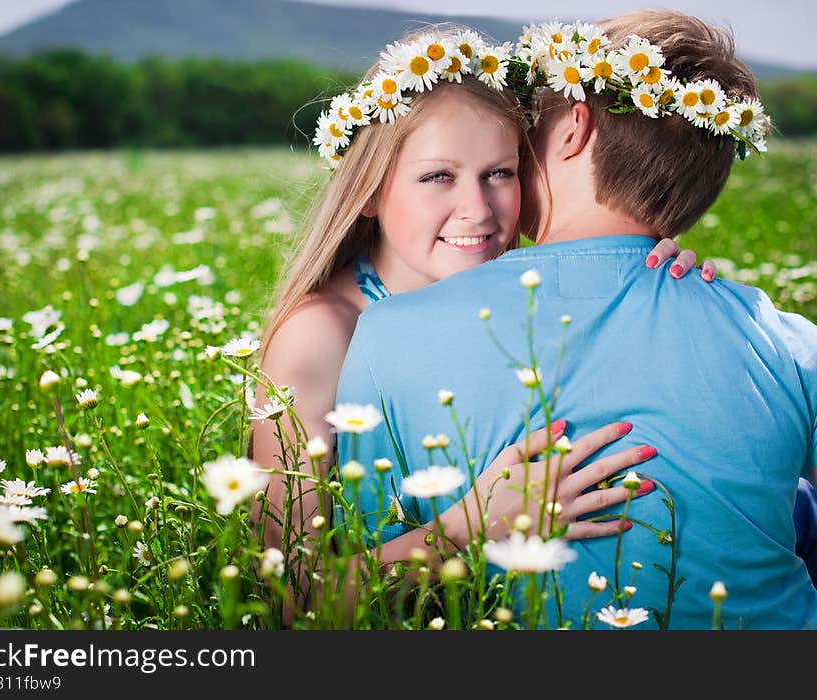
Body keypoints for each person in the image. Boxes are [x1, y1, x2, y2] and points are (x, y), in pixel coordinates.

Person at [335, 11, 817, 628]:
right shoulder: (783, 340)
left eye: (530, 128)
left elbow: (342, 594)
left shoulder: (386, 334)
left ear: (574, 130)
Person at [248, 25, 709, 617]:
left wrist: (657, 274)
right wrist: (466, 528)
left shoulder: (519, 291)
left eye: (501, 172)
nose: (478, 209)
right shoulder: (322, 336)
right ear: (367, 190)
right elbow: (289, 597)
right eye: (438, 176)